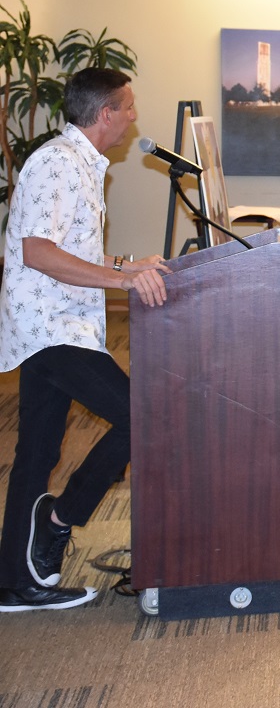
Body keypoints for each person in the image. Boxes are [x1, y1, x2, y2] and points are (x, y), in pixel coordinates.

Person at [0, 68, 171, 612]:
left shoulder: (81, 164)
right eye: (128, 107)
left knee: (37, 451)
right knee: (142, 415)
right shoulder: (55, 163)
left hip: (59, 325)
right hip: (52, 328)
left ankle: (12, 580)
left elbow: (70, 250)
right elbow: (37, 253)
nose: (133, 117)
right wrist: (122, 282)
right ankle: (60, 518)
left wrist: (126, 264)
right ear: (105, 114)